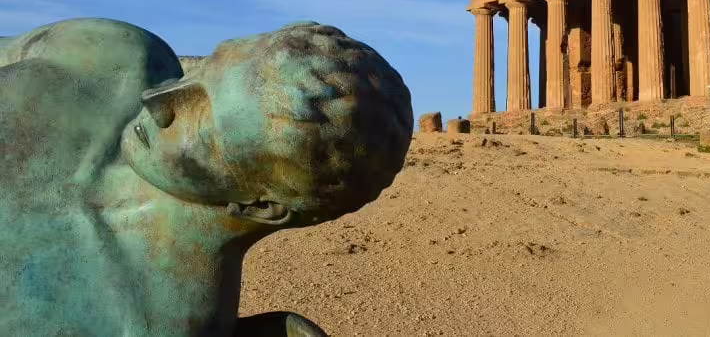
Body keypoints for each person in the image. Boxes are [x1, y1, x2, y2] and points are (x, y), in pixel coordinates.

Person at [0, 18, 413, 337]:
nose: (155, 99)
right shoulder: (119, 55)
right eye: (200, 70)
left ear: (263, 206)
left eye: (199, 121)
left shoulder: (147, 324)